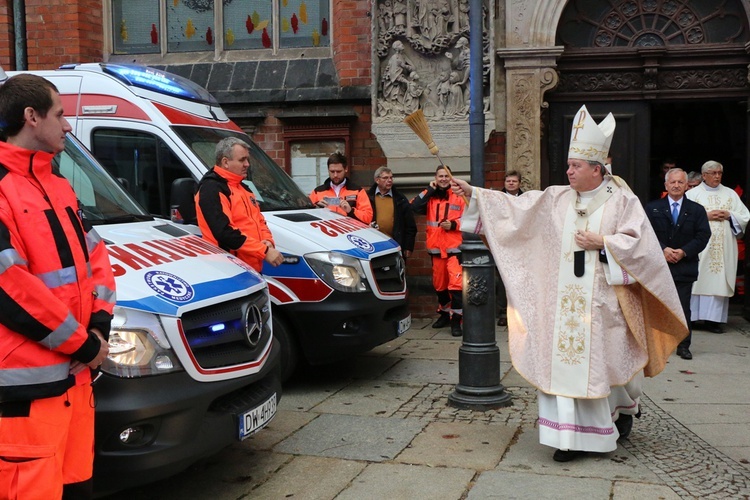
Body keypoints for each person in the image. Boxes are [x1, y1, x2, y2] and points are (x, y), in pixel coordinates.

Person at [451, 105, 687, 462]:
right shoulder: (558, 198)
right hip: (561, 305)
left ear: (597, 169)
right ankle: (567, 439)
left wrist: (604, 243)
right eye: (568, 165)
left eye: (575, 166)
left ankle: (621, 413)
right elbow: (518, 210)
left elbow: (642, 247)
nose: (568, 171)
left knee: (610, 367)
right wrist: (475, 194)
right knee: (561, 366)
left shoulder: (623, 200)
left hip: (606, 302)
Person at [0, 74, 115, 498]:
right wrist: (86, 344)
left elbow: (98, 262)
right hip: (25, 392)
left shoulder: (60, 185)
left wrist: (99, 328)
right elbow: (11, 291)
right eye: (61, 114)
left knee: (77, 488)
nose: (68, 126)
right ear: (31, 117)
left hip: (75, 381)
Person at [646, 168, 711, 360]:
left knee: (683, 308)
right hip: (659, 266)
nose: (676, 185)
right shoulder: (652, 208)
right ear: (666, 185)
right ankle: (656, 346)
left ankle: (683, 345)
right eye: (672, 182)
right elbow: (645, 233)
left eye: (680, 182)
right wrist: (663, 249)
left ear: (686, 186)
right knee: (656, 307)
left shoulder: (696, 210)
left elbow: (703, 235)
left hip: (685, 266)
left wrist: (683, 252)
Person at [195, 137, 285, 272]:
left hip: (249, 268)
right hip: (226, 269)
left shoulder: (243, 187)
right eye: (242, 160)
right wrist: (264, 251)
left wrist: (268, 241)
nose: (247, 164)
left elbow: (259, 221)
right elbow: (224, 232)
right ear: (225, 162)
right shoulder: (211, 188)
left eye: (247, 159)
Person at [686, 160, 750, 333]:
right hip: (700, 246)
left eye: (719, 173)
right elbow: (685, 216)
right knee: (697, 279)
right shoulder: (693, 195)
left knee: (718, 279)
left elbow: (744, 215)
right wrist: (705, 215)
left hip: (723, 246)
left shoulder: (730, 194)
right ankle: (692, 318)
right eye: (713, 173)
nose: (717, 176)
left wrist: (730, 214)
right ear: (704, 175)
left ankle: (713, 321)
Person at [411, 165, 466, 336]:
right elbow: (413, 207)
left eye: (446, 176)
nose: (443, 179)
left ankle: (456, 321)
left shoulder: (459, 196)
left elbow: (472, 220)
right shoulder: (430, 196)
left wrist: (454, 225)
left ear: (451, 178)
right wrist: (429, 189)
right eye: (440, 176)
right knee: (440, 286)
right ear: (435, 178)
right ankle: (444, 313)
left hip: (455, 249)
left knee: (456, 287)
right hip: (436, 250)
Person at [367, 167, 417, 258]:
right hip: (373, 245)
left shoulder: (400, 199)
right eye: (385, 178)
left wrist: (408, 247)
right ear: (377, 180)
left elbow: (410, 225)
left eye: (391, 177)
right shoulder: (368, 197)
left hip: (395, 244)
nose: (389, 180)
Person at [309, 152, 373, 225]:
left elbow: (368, 217)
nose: (335, 175)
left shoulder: (358, 191)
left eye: (339, 171)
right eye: (332, 171)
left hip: (350, 233)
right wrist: (317, 207)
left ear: (346, 169)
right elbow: (305, 215)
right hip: (326, 233)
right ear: (328, 170)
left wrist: (351, 211)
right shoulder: (317, 191)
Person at [496, 170, 523, 326]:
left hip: (520, 244)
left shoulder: (527, 199)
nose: (511, 183)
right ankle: (503, 313)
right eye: (508, 181)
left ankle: (520, 312)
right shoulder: (498, 199)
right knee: (503, 279)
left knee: (520, 279)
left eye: (514, 181)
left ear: (519, 183)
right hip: (503, 243)